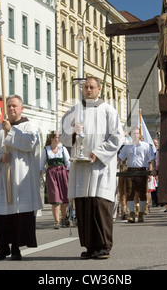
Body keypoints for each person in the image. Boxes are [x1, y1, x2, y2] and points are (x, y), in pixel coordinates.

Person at [60, 76, 124, 259]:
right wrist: (72, 131)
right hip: (81, 167)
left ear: (99, 89)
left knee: (99, 205)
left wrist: (99, 151)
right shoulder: (74, 111)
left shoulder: (108, 111)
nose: (88, 90)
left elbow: (117, 137)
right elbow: (62, 136)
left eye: (92, 87)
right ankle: (89, 246)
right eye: (86, 87)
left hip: (99, 167)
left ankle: (104, 246)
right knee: (84, 206)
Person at [0, 94, 42, 261]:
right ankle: (2, 247)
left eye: (15, 106)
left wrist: (11, 131)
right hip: (1, 179)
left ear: (21, 108)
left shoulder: (30, 126)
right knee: (1, 216)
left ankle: (16, 247)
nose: (11, 109)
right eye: (9, 106)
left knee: (18, 215)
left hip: (21, 180)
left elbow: (30, 143)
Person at [118, 128, 155, 223]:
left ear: (139, 134)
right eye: (133, 133)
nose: (135, 135)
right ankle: (131, 213)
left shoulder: (146, 146)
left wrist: (152, 170)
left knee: (142, 193)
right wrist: (114, 166)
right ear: (131, 135)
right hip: (130, 171)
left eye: (137, 133)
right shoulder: (127, 147)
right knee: (129, 192)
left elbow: (152, 158)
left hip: (142, 170)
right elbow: (120, 158)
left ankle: (141, 214)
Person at [40, 131, 71, 229]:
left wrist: (69, 174)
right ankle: (56, 221)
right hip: (52, 175)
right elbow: (41, 164)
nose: (59, 139)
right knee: (55, 199)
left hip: (62, 173)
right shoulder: (46, 149)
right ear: (52, 138)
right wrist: (41, 173)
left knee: (65, 199)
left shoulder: (62, 148)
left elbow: (68, 162)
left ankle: (64, 219)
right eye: (57, 137)